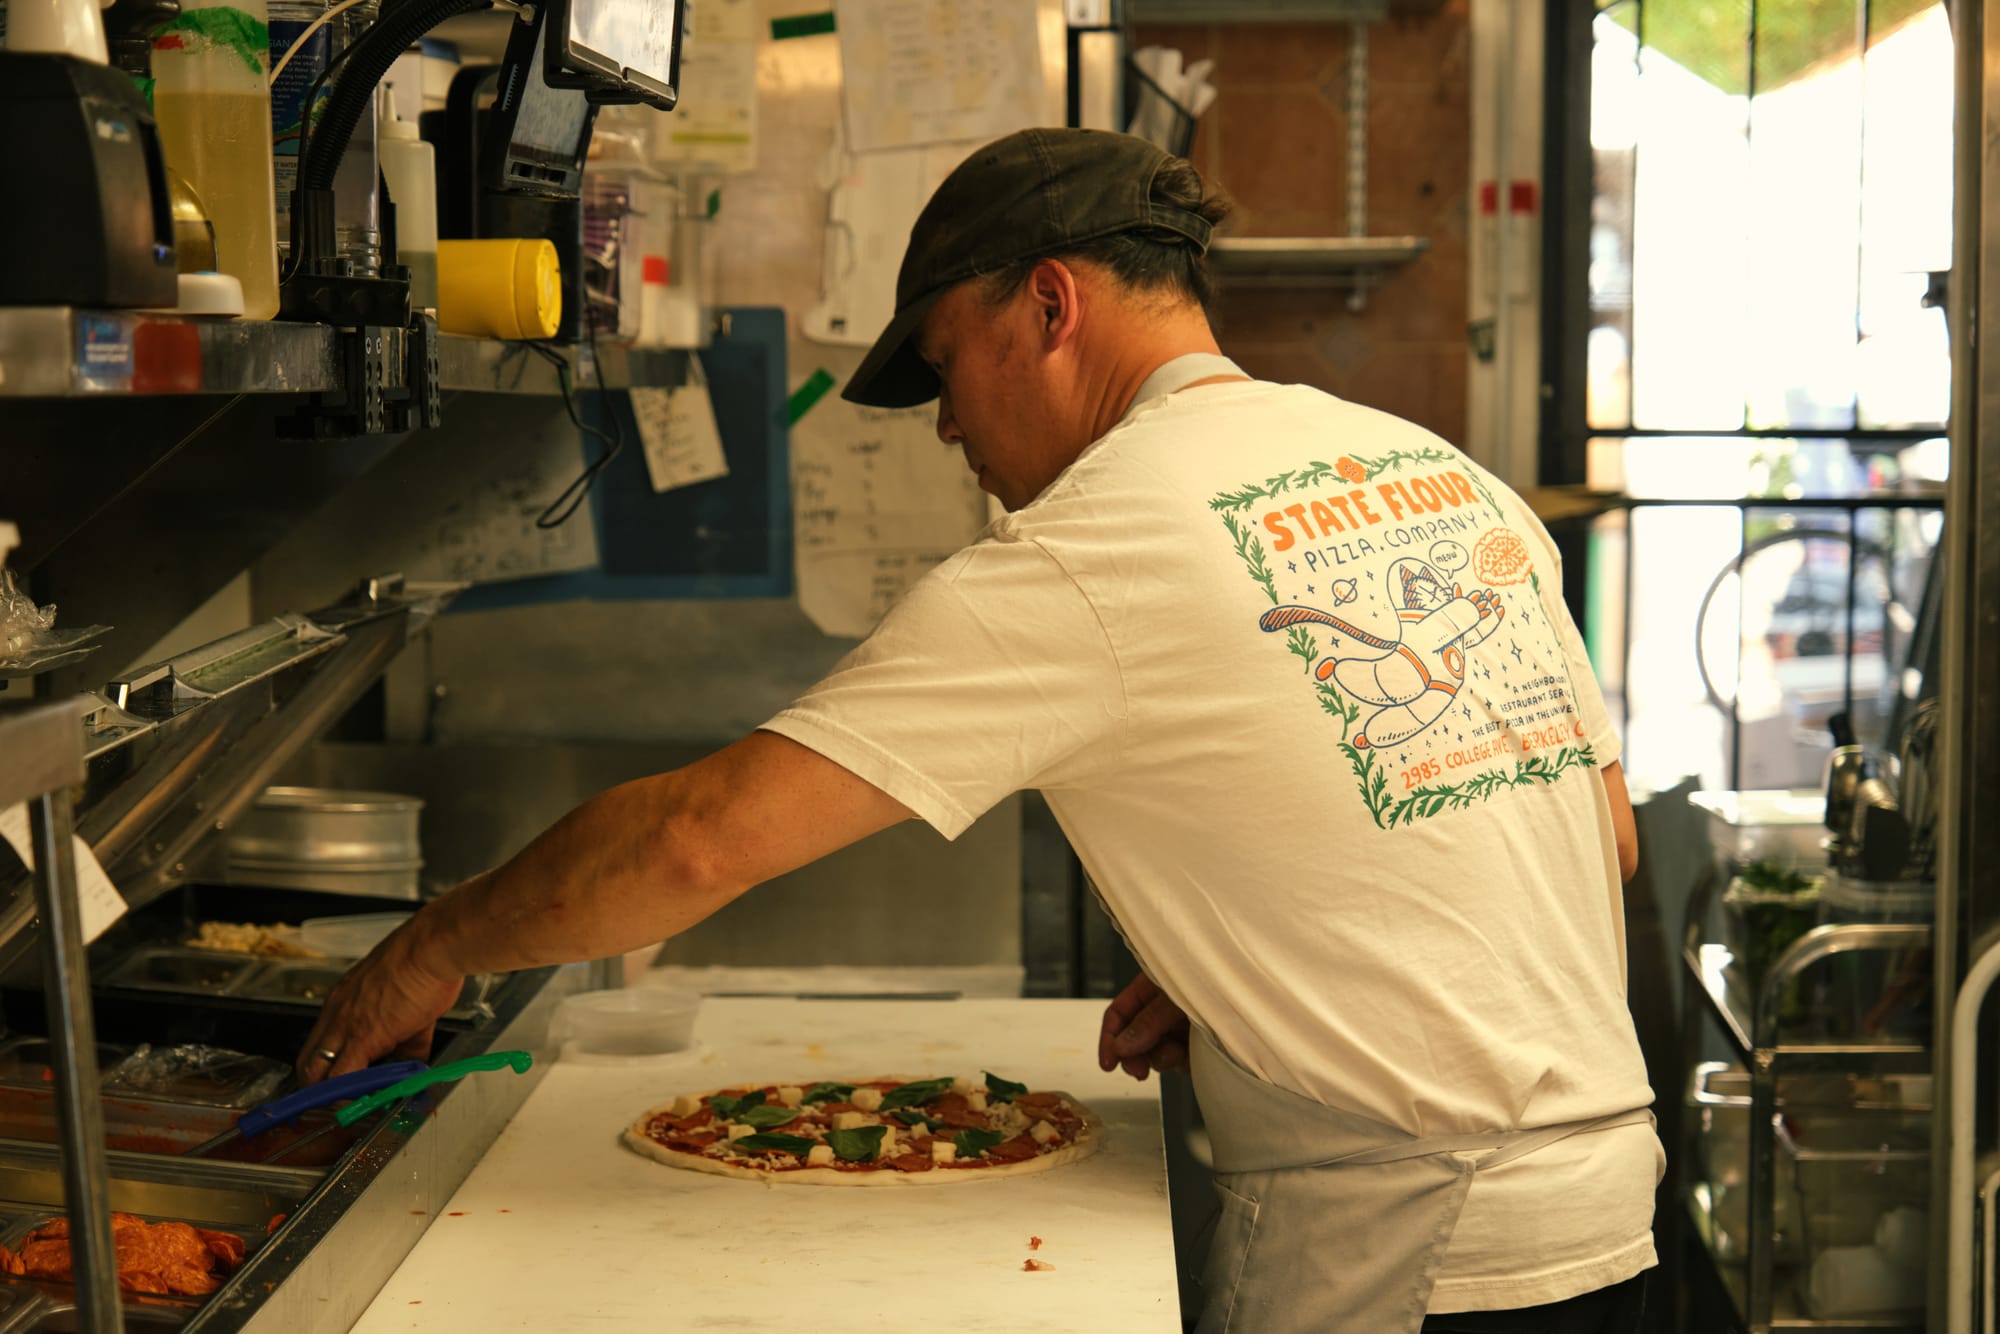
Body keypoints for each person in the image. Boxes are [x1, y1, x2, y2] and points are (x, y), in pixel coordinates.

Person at [299, 128, 1659, 1333]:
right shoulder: (1438, 474)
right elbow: (1599, 839)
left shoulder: (1093, 546)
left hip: (1418, 1257)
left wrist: (431, 948)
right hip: (1608, 1220)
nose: (947, 421)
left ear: (1051, 305)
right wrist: (1262, 969)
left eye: (947, 362)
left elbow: (700, 839)